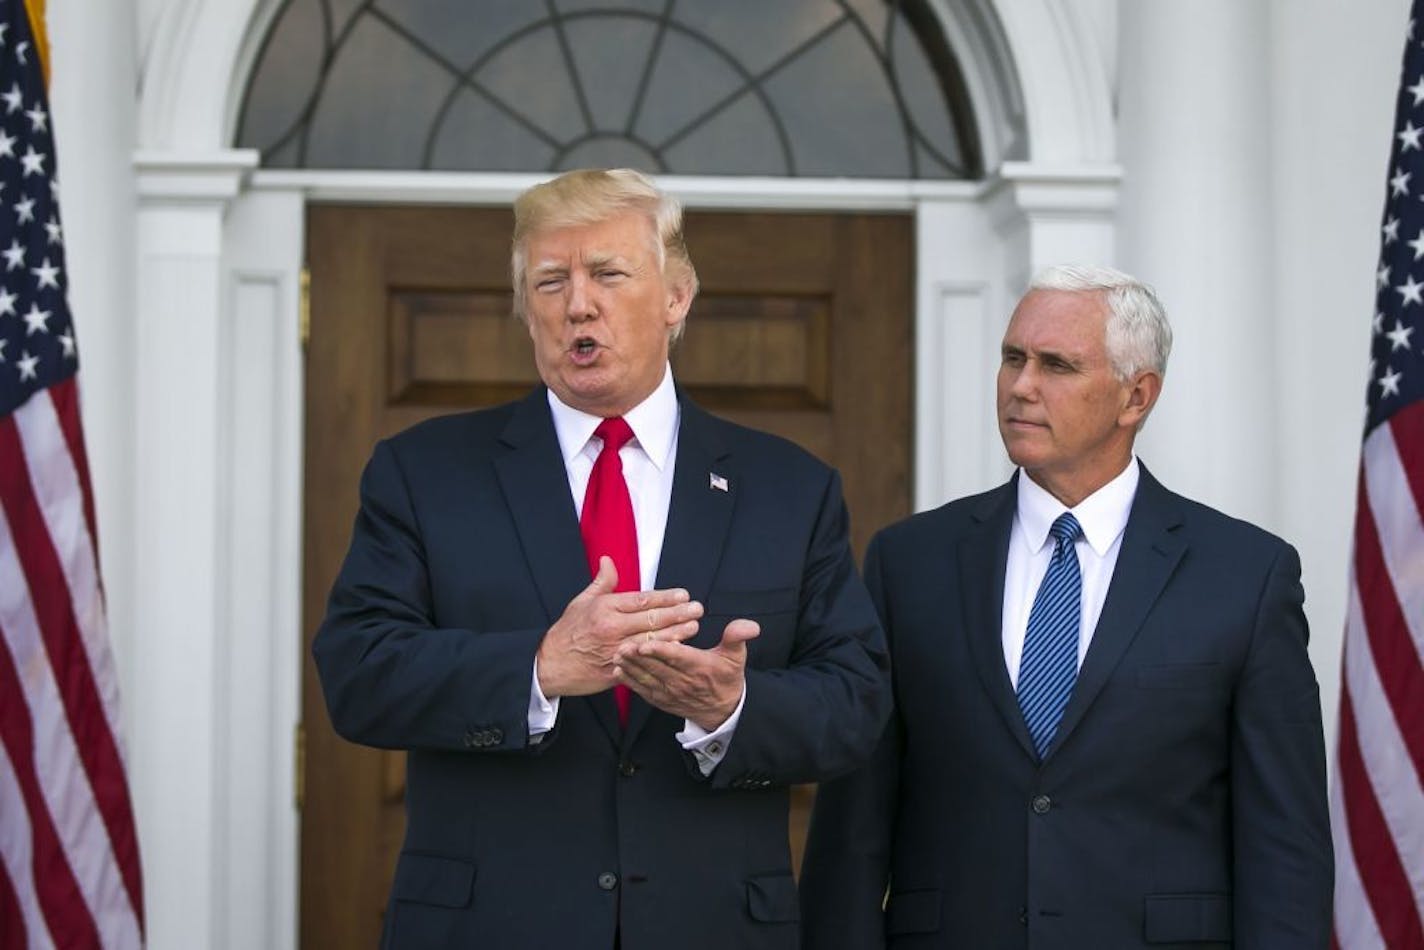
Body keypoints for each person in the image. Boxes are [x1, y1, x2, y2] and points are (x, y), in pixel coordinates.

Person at [312, 167, 890, 950]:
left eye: (608, 274)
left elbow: (855, 700)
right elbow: (358, 672)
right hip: (489, 928)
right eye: (550, 282)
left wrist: (730, 709)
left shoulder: (789, 489)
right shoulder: (424, 474)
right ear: (527, 309)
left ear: (677, 297)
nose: (578, 304)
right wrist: (539, 668)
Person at [800, 265, 1332, 948]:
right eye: (1013, 358)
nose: (1021, 385)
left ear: (1135, 397)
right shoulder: (911, 561)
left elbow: (1285, 844)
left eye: (1057, 365)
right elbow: (853, 824)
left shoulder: (1246, 574)